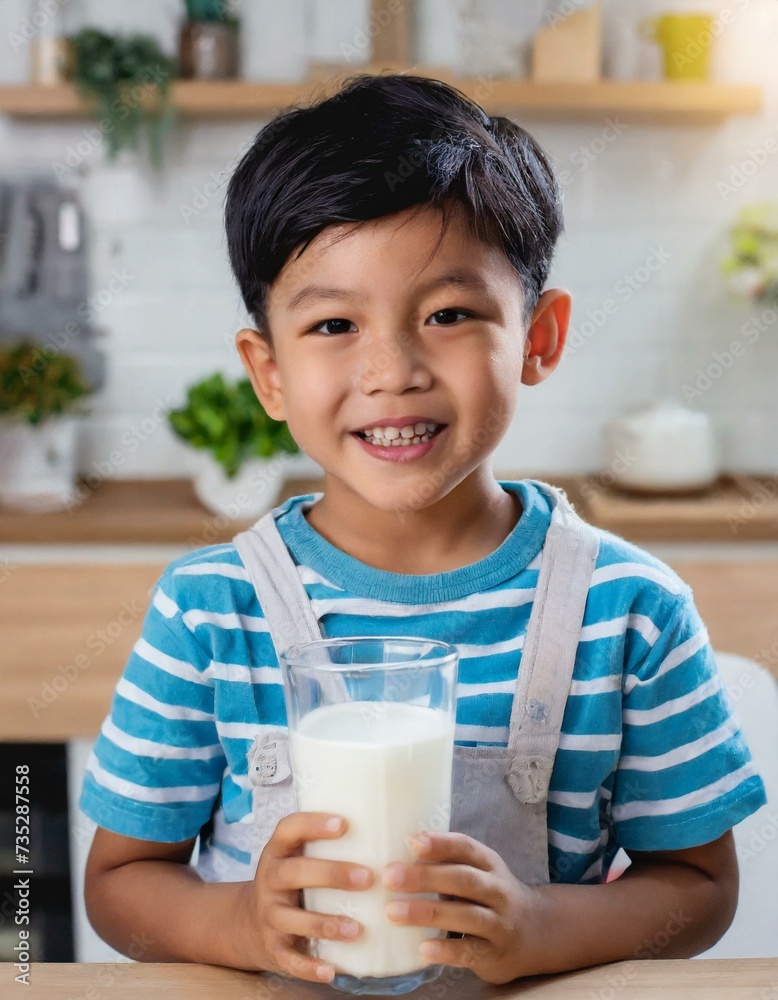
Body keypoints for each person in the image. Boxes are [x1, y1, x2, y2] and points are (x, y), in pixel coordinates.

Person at [80, 73, 767, 987]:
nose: (390, 371)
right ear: (268, 371)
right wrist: (240, 923)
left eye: (448, 314)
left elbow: (701, 889)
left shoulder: (627, 610)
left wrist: (542, 924)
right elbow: (120, 884)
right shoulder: (212, 612)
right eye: (333, 323)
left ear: (538, 338)